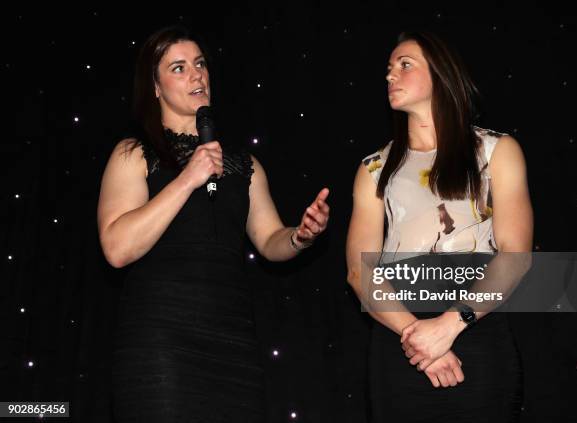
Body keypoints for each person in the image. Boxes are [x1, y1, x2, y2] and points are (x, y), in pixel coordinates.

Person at [97, 25, 330, 422]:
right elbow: (117, 249)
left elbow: (270, 240)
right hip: (162, 342)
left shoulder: (243, 163)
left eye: (201, 64)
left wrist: (301, 237)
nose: (196, 75)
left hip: (232, 343)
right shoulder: (133, 153)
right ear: (154, 87)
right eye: (179, 68)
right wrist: (188, 178)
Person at [346, 31, 533, 422]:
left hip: (476, 330)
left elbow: (516, 255)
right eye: (388, 68)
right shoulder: (373, 169)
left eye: (404, 64)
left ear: (440, 74)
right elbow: (359, 273)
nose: (390, 75)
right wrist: (417, 335)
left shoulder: (497, 151)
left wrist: (451, 324)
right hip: (399, 339)